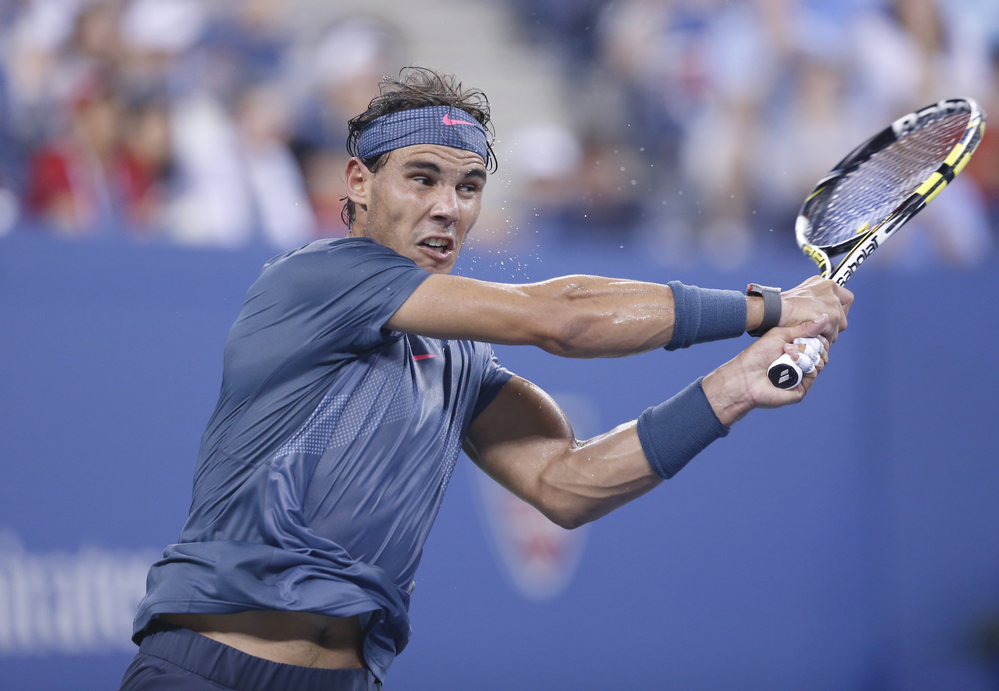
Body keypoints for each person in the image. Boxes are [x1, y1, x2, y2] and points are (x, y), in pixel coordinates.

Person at [119, 68, 852, 691]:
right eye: (422, 177)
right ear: (358, 183)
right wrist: (772, 307)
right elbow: (561, 319)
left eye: (468, 186)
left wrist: (736, 385)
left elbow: (565, 483)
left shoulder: (458, 359)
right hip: (204, 673)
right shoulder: (315, 278)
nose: (447, 206)